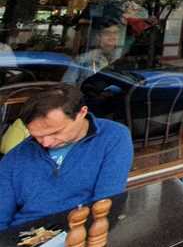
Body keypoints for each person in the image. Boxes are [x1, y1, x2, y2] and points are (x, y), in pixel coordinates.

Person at [0, 84, 133, 230]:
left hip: (80, 232)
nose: (46, 142)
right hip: (23, 237)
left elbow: (105, 207)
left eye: (55, 133)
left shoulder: (113, 137)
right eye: (37, 136)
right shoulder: (14, 159)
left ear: (82, 113)